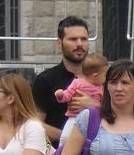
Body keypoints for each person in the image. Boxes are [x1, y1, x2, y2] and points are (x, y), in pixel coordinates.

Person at [31, 16, 93, 144]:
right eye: (73, 39)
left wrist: (94, 105)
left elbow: (120, 116)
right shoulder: (45, 80)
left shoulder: (103, 79)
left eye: (84, 39)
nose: (80, 44)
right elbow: (34, 126)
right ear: (59, 43)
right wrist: (70, 137)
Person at [54, 54, 107, 119]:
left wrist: (97, 105)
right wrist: (61, 95)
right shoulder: (77, 83)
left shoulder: (101, 88)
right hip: (75, 117)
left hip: (93, 118)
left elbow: (105, 103)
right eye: (104, 75)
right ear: (95, 75)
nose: (106, 78)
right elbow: (68, 94)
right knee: (69, 128)